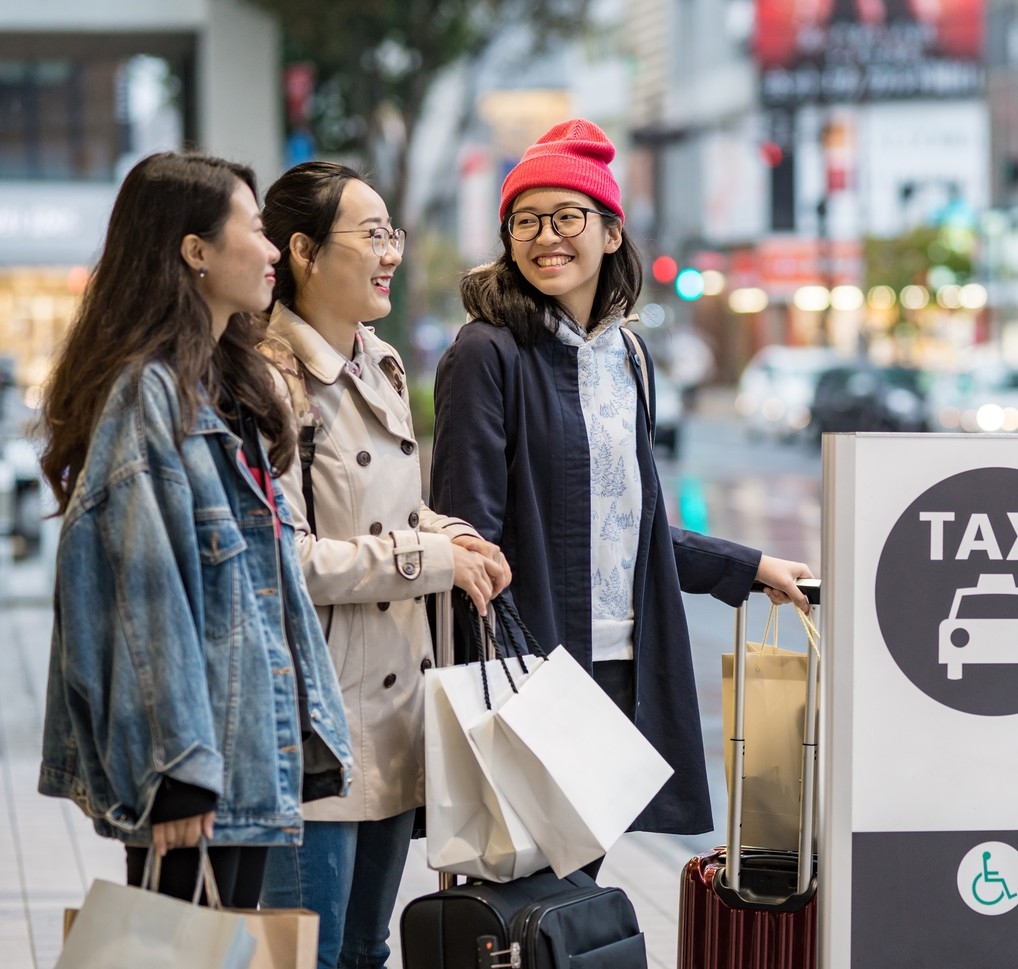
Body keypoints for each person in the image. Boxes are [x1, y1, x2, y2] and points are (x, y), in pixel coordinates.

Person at [430, 119, 813, 859]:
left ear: (610, 233)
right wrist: (503, 683)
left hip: (621, 668)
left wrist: (749, 566)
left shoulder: (628, 356)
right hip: (531, 670)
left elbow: (627, 522)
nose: (547, 236)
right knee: (520, 894)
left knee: (577, 899)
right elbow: (465, 537)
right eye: (526, 220)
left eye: (567, 216)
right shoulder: (487, 353)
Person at [36, 151, 353, 906]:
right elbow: (142, 592)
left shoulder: (221, 385)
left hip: (240, 753)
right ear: (195, 251)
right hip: (192, 770)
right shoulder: (149, 394)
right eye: (254, 228)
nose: (274, 248)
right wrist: (176, 767)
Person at [251, 161, 513, 967]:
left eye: (391, 232)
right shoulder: (267, 377)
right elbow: (283, 556)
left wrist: (450, 533)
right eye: (371, 234)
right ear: (302, 250)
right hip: (318, 723)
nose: (390, 251)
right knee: (307, 955)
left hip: (396, 718)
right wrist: (426, 556)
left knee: (368, 947)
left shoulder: (383, 361)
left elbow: (386, 509)